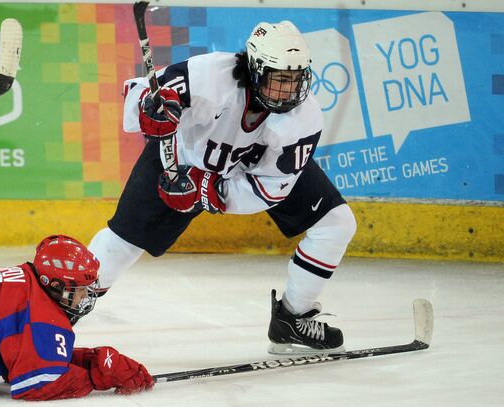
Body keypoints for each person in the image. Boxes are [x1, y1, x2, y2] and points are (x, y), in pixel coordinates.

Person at [89, 21, 356, 355]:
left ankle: (292, 317)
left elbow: (271, 189)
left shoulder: (303, 118)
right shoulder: (208, 76)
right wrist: (148, 109)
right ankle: (55, 314)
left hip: (250, 167)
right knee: (119, 247)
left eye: (297, 79)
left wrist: (212, 192)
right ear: (255, 70)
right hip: (180, 160)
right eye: (280, 80)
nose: (291, 92)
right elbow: (139, 92)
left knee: (336, 223)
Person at [0, 235, 154, 400]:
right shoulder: (38, 315)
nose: (85, 295)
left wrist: (90, 360)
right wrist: (97, 376)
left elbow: (25, 354)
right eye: (80, 289)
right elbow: (38, 383)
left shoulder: (25, 279)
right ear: (56, 286)